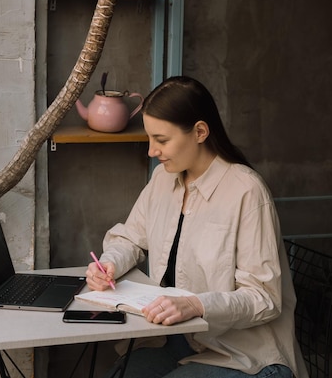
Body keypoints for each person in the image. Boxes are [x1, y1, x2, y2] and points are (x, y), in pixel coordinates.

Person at [86, 76, 308, 378]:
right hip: (175, 340)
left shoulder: (246, 190)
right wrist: (109, 263)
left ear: (200, 132)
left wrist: (196, 304)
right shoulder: (163, 179)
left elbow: (265, 297)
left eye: (162, 140)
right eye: (150, 138)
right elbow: (131, 238)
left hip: (241, 353)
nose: (152, 151)